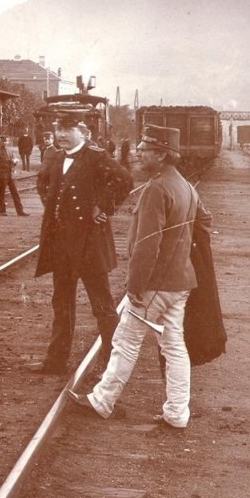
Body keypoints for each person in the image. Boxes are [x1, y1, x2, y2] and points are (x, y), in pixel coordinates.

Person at [67, 125, 204, 429]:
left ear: (162, 154)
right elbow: (203, 222)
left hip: (155, 283)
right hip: (180, 282)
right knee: (174, 345)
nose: (139, 152)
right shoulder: (185, 186)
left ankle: (102, 400)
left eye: (146, 148)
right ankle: (177, 413)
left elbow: (147, 244)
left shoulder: (157, 188)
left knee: (126, 340)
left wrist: (135, 285)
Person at [30, 112, 133, 375]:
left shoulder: (96, 156)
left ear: (83, 131)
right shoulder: (54, 156)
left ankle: (112, 362)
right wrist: (55, 209)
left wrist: (102, 206)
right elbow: (43, 183)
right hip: (62, 244)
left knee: (102, 304)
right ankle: (55, 361)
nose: (61, 134)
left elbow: (124, 180)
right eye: (58, 129)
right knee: (61, 303)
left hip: (89, 244)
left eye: (67, 129)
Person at [0, 136, 29, 216]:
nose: (4, 143)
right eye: (2, 141)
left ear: (8, 142)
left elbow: (13, 161)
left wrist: (15, 162)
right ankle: (2, 211)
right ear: (0, 142)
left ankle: (20, 211)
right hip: (2, 176)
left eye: (5, 141)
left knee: (15, 193)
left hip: (10, 175)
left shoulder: (10, 151)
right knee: (1, 194)